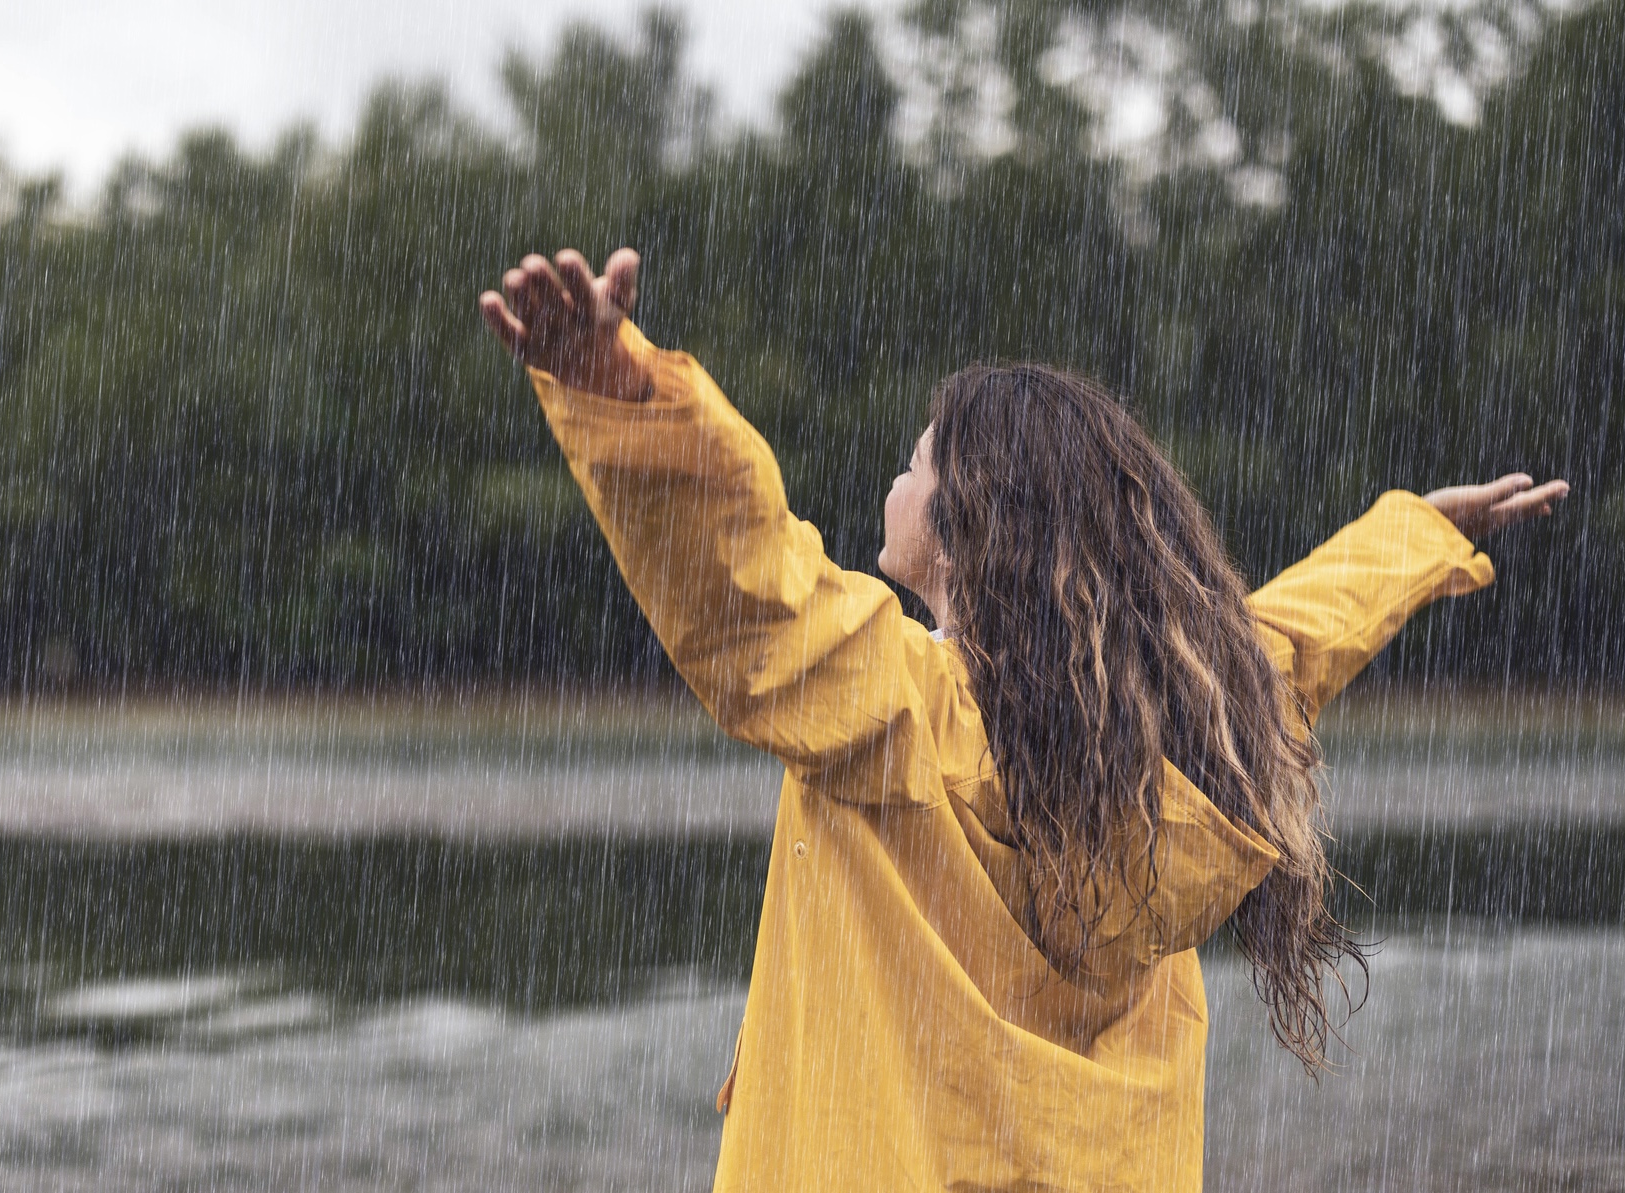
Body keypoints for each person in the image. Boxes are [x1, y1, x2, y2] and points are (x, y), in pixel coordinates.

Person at [478, 247, 1569, 1192]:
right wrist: (1414, 538)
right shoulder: (1169, 736)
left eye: (914, 465)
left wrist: (623, 396)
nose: (895, 483)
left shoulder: (892, 708)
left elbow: (746, 583)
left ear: (962, 529)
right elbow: (1280, 642)